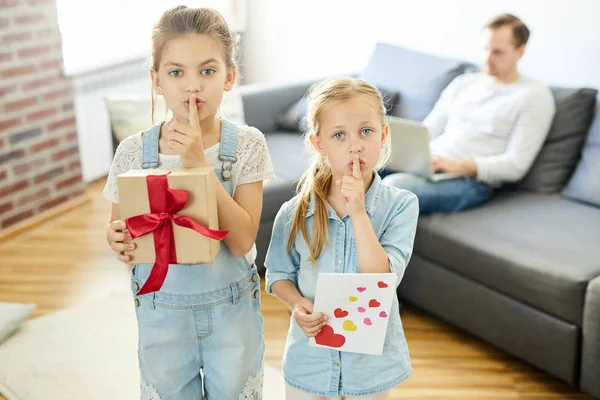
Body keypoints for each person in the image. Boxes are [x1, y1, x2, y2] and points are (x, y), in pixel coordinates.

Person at [103, 6, 274, 399]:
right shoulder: (132, 152)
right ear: (157, 80)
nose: (192, 86)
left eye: (207, 71)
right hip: (162, 316)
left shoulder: (248, 145)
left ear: (229, 77)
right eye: (176, 72)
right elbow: (122, 237)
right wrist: (116, 239)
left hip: (231, 316)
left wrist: (200, 166)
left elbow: (243, 241)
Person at [265, 78, 419, 399]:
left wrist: (359, 214)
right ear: (319, 144)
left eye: (366, 131)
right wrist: (297, 304)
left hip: (369, 369)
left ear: (383, 134)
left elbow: (382, 279)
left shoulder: (402, 206)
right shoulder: (294, 212)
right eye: (339, 135)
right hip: (310, 362)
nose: (355, 146)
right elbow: (279, 276)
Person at [383, 13, 556, 214]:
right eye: (485, 49)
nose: (487, 59)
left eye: (498, 52)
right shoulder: (464, 83)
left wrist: (454, 165)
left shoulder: (533, 97)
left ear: (520, 51)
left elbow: (517, 165)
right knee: (351, 165)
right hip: (428, 164)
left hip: (469, 182)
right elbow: (427, 130)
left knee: (394, 187)